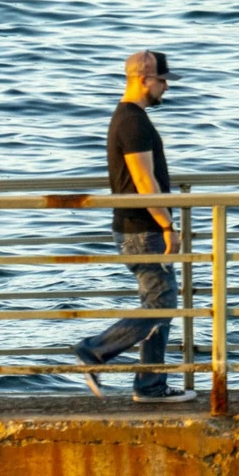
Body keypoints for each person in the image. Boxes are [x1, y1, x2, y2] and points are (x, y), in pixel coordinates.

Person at [72, 50, 196, 403]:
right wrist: (168, 224)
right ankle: (95, 351)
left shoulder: (128, 118)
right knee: (162, 304)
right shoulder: (133, 121)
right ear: (144, 79)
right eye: (162, 80)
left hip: (138, 227)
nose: (166, 88)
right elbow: (144, 181)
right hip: (142, 229)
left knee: (159, 302)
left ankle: (150, 386)